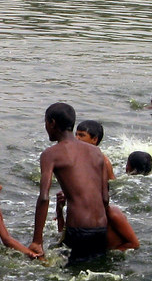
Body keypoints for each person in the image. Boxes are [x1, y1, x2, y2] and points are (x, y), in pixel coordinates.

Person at [29, 103, 109, 264]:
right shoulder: (97, 152)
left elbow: (44, 197)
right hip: (101, 228)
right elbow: (105, 197)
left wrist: (37, 241)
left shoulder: (50, 154)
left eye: (46, 123)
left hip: (79, 229)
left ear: (52, 123)